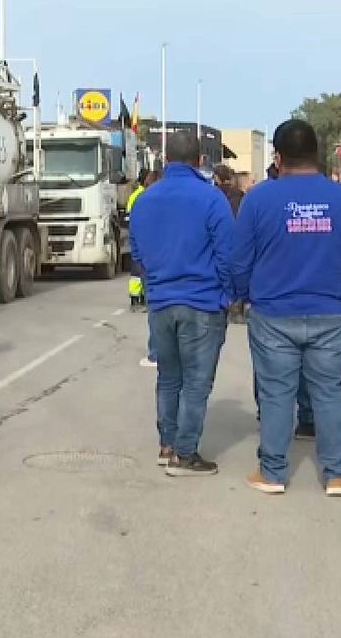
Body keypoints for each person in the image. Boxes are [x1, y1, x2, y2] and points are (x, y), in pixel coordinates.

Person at [230, 120, 341, 497]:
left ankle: (273, 473)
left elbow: (240, 260)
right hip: (330, 311)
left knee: (277, 394)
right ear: (319, 154)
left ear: (278, 157)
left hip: (273, 313)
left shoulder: (259, 199)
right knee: (329, 390)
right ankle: (337, 474)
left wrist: (244, 296)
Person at [129, 132, 234, 476]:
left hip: (160, 303)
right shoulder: (211, 198)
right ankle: (185, 455)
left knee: (169, 377)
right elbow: (227, 254)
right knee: (196, 383)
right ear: (200, 160)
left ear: (164, 160)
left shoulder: (144, 200)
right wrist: (227, 295)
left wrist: (155, 283)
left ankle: (167, 444)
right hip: (202, 302)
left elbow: (138, 254)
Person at [126, 167, 155, 319]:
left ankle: (138, 299)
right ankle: (137, 300)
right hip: (141, 236)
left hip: (137, 235)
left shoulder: (135, 195)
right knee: (138, 271)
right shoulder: (141, 195)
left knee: (138, 270)